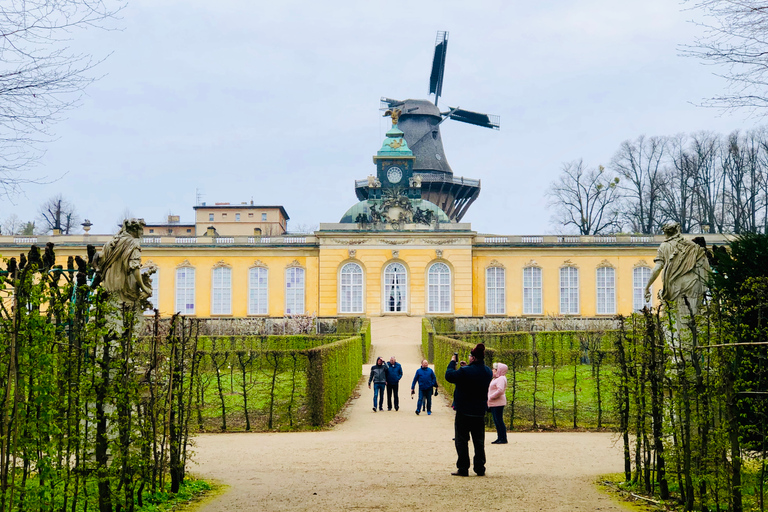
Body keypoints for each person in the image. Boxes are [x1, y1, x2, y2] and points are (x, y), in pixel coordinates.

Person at [445, 343, 493, 476]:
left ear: (473, 358)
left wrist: (452, 363)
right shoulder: (487, 371)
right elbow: (475, 376)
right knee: (478, 441)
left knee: (461, 440)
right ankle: (479, 467)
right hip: (479, 411)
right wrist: (467, 368)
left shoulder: (465, 372)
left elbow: (449, 376)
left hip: (464, 410)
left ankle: (463, 468)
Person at [644, 221, 711, 317]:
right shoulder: (692, 246)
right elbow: (705, 267)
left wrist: (647, 287)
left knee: (674, 318)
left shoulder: (664, 246)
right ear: (678, 229)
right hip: (692, 284)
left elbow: (657, 268)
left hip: (674, 287)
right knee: (692, 316)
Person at [487, 362, 508, 444]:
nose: (493, 370)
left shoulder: (501, 378)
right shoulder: (496, 378)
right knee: (496, 420)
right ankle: (500, 437)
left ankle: (503, 438)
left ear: (498, 370)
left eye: (494, 369)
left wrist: (491, 397)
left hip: (498, 403)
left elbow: (500, 390)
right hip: (494, 403)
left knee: (499, 420)